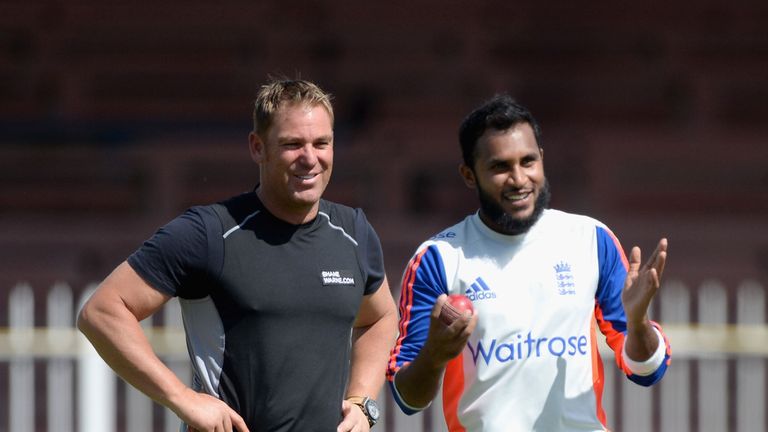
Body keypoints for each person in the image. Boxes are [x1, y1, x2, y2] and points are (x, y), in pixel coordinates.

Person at [78, 79, 398, 432]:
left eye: (322, 143)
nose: (310, 158)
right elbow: (102, 311)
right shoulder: (209, 232)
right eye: (292, 144)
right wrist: (183, 398)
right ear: (257, 147)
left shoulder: (354, 232)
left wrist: (362, 403)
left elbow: (380, 318)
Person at [386, 95, 671, 431]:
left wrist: (637, 324)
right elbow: (407, 399)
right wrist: (434, 354)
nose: (519, 179)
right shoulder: (438, 259)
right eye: (500, 167)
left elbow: (647, 371)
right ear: (468, 174)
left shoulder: (591, 239)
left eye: (528, 161)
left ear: (542, 160)